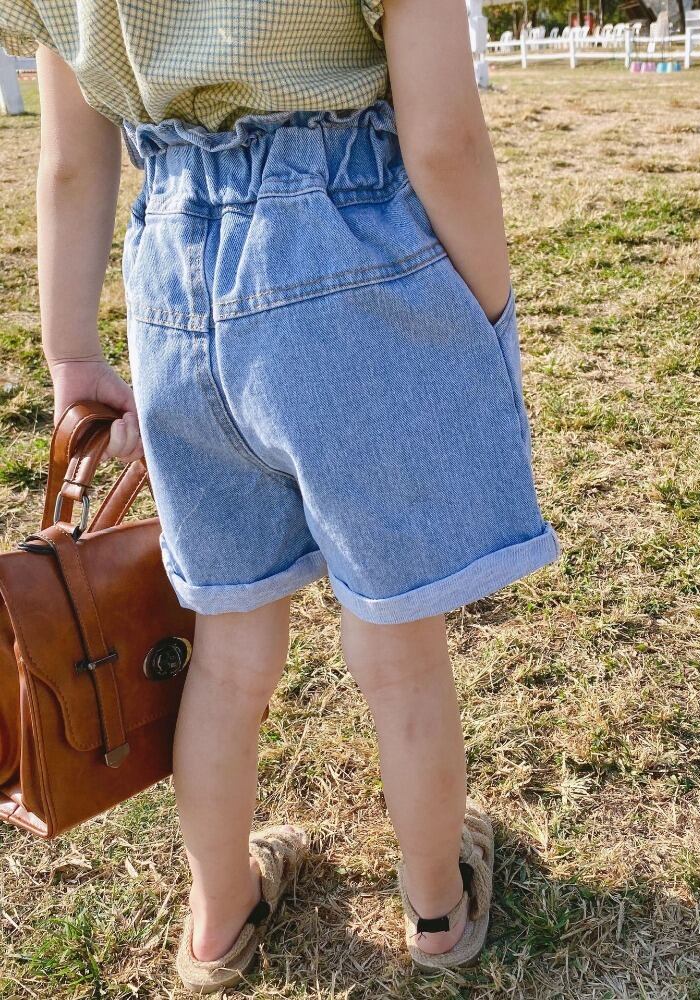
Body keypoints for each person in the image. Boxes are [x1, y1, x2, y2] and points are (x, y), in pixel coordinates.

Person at [0, 0, 559, 989]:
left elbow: (74, 165)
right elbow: (444, 139)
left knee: (227, 645)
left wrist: (72, 355)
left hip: (174, 278)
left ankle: (218, 916)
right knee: (398, 640)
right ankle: (436, 906)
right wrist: (485, 314)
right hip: (349, 251)